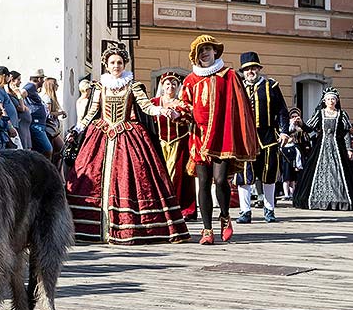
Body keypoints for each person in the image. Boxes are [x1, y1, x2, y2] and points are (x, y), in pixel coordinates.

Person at [65, 45, 189, 244]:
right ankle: (90, 227)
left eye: (119, 63)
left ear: (124, 65)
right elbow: (91, 113)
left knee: (131, 178)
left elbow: (146, 107)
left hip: (127, 135)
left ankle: (130, 227)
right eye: (112, 63)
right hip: (101, 135)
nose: (116, 66)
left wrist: (162, 111)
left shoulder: (133, 86)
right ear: (106, 64)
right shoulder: (99, 87)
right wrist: (78, 129)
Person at [176, 35, 259, 245]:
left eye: (208, 49)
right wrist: (179, 113)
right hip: (199, 138)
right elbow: (185, 105)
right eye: (201, 51)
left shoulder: (228, 75)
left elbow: (240, 107)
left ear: (215, 51)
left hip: (222, 137)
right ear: (196, 56)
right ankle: (206, 229)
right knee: (203, 182)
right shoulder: (190, 80)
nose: (205, 53)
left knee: (221, 180)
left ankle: (224, 217)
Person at [234, 52, 290, 224]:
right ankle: (245, 211)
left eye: (253, 68)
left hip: (268, 137)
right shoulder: (238, 88)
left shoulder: (271, 86)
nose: (251, 71)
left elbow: (282, 111)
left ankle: (269, 210)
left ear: (259, 69)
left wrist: (284, 131)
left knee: (269, 173)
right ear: (243, 71)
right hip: (244, 138)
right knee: (244, 176)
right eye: (247, 69)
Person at [293, 88, 353, 210]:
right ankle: (319, 199)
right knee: (318, 171)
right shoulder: (320, 113)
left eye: (333, 99)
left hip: (338, 147)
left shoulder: (342, 114)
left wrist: (349, 149)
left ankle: (339, 199)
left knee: (339, 173)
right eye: (328, 99)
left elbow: (346, 132)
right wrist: (300, 123)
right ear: (324, 101)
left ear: (336, 101)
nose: (331, 101)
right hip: (321, 147)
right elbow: (309, 127)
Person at [151, 72, 196, 220]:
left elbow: (191, 117)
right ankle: (161, 207)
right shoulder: (154, 103)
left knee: (179, 177)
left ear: (178, 87)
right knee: (160, 175)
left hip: (180, 143)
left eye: (174, 84)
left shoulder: (183, 104)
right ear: (162, 86)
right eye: (167, 84)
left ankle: (181, 208)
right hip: (159, 143)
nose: (170, 87)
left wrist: (179, 116)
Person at [39, 74, 67, 164]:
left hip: (53, 128)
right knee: (61, 148)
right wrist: (61, 113)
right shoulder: (47, 98)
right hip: (50, 129)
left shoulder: (50, 98)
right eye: (56, 84)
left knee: (57, 151)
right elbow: (48, 113)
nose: (57, 86)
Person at [279, 107, 306, 199]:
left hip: (295, 151)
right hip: (285, 151)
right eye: (293, 116)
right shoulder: (285, 125)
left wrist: (300, 124)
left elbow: (305, 136)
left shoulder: (300, 128)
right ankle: (286, 194)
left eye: (296, 116)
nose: (295, 118)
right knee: (286, 175)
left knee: (293, 176)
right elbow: (287, 131)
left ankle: (293, 194)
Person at [22, 81, 53, 160]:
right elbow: (22, 93)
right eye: (42, 79)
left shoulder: (34, 90)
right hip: (36, 125)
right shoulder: (31, 86)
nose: (43, 81)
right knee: (47, 149)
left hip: (41, 124)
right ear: (39, 79)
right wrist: (22, 106)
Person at [0, 67, 21, 148]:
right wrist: (10, 126)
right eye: (8, 75)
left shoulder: (1, 88)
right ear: (4, 76)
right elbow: (0, 107)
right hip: (7, 127)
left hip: (11, 125)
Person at [9, 70, 33, 151]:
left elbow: (26, 107)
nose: (20, 81)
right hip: (21, 126)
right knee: (23, 150)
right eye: (18, 79)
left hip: (26, 127)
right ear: (12, 80)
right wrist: (19, 95)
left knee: (28, 149)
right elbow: (22, 108)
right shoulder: (10, 96)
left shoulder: (14, 94)